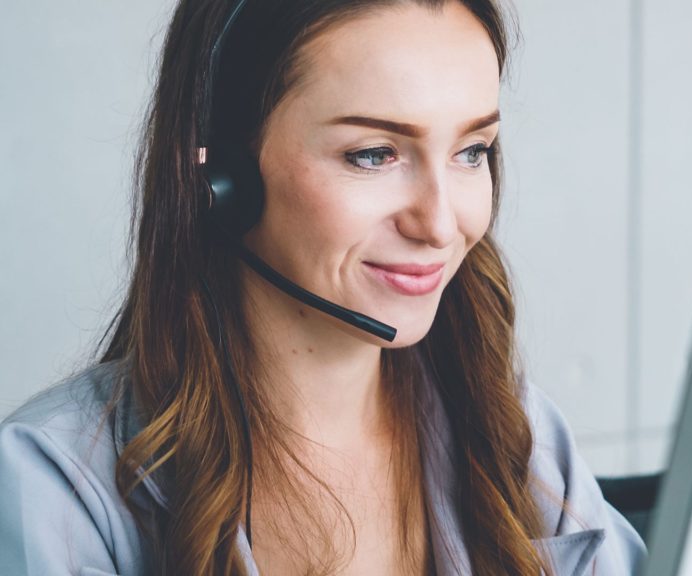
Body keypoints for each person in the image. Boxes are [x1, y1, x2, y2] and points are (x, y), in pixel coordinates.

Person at [0, 0, 646, 574]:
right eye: (374, 154)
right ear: (221, 176)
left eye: (472, 151)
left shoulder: (514, 430)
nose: (442, 224)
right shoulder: (57, 488)